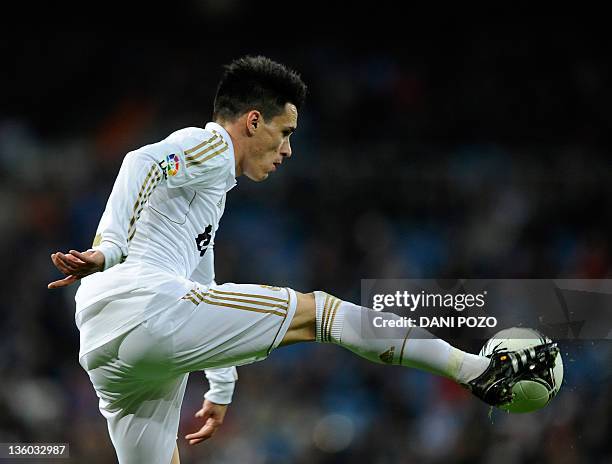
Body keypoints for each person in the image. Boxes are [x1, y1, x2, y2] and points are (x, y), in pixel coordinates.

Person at [48, 56, 558, 464]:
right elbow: (142, 162)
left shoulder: (208, 193)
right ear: (253, 121)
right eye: (286, 131)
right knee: (323, 313)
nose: (288, 149)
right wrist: (108, 248)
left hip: (108, 345)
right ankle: (477, 371)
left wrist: (222, 383)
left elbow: (199, 278)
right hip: (142, 304)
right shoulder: (210, 145)